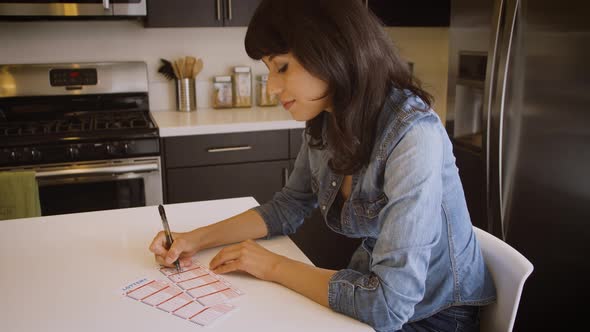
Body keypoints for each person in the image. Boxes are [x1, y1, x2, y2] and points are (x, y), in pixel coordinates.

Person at [149, 1, 496, 331]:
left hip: (433, 318)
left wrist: (272, 265)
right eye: (268, 70)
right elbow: (286, 208)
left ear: (332, 52)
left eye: (282, 66)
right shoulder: (329, 118)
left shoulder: (413, 135)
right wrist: (193, 239)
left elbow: (389, 306)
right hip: (369, 288)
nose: (271, 87)